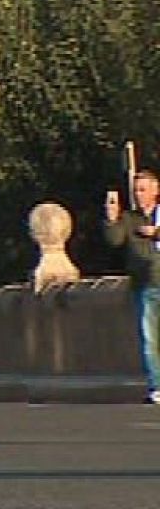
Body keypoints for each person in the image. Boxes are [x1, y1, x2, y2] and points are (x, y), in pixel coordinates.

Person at [103, 168, 160, 405]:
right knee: (151, 340)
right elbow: (114, 240)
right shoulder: (130, 219)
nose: (139, 194)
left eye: (144, 189)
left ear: (156, 190)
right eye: (136, 190)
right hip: (145, 285)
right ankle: (157, 385)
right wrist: (112, 217)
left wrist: (156, 232)